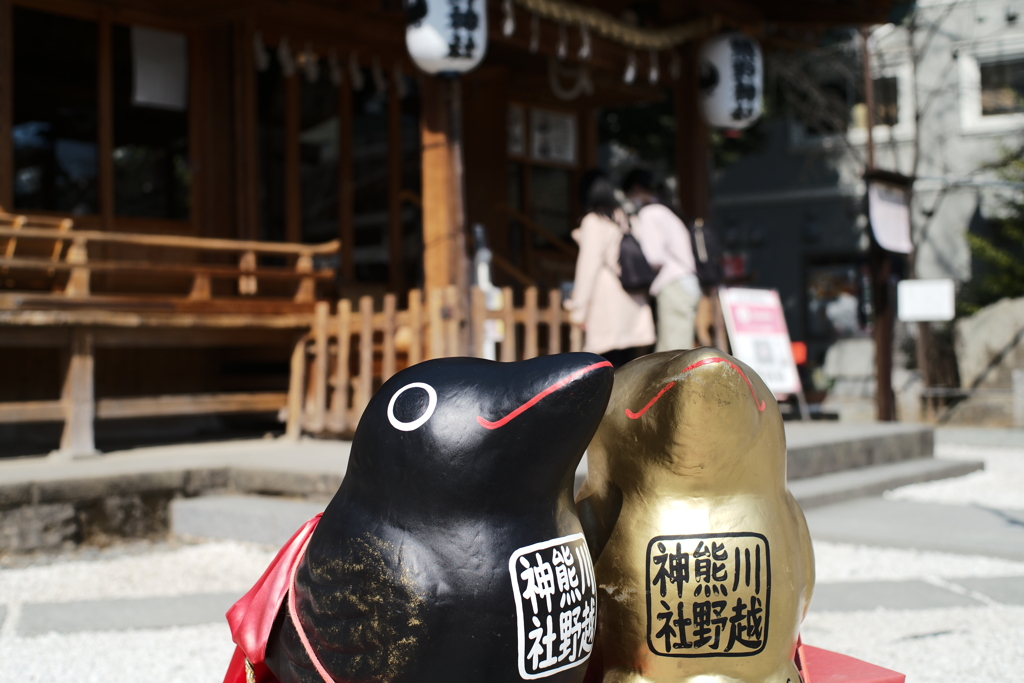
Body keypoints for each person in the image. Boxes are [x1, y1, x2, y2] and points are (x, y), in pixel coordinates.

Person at [567, 172, 655, 367]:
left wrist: (578, 309)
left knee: (607, 365)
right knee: (630, 365)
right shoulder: (626, 218)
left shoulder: (593, 220)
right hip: (631, 296)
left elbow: (588, 267)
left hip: (606, 299)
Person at [621, 168, 702, 352]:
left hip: (673, 284)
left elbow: (654, 257)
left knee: (671, 353)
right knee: (680, 346)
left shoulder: (649, 213)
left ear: (635, 189)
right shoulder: (666, 210)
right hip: (686, 282)